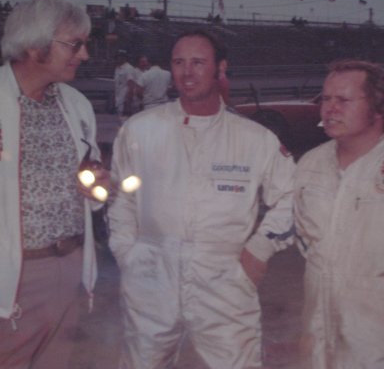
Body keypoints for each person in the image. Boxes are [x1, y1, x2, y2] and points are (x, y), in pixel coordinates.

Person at [108, 29, 296, 369]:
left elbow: (292, 198)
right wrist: (126, 251)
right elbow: (122, 196)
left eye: (198, 62)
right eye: (179, 62)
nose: (187, 72)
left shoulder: (254, 140)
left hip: (224, 280)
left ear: (220, 68)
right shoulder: (140, 130)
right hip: (151, 276)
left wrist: (258, 251)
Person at [0, 0, 109, 369]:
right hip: (13, 275)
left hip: (70, 263)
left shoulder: (76, 103)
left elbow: (91, 181)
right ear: (33, 43)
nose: (84, 55)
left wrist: (97, 183)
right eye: (74, 44)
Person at [294, 59, 384, 368]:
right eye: (326, 99)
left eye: (343, 100)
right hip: (318, 338)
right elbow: (305, 238)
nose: (330, 108)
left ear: (377, 108)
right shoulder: (309, 165)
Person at [114, 49, 136, 118]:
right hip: (119, 100)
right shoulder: (117, 68)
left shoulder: (129, 68)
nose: (119, 58)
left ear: (125, 58)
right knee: (120, 122)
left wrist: (128, 102)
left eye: (121, 56)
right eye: (118, 56)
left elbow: (131, 85)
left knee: (125, 123)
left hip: (125, 102)